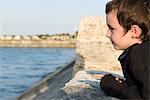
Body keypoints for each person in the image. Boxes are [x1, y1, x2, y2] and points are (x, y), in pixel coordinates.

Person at [100, 0, 150, 99]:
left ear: (134, 31)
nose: (107, 34)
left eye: (112, 28)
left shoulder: (138, 54)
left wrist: (113, 86)